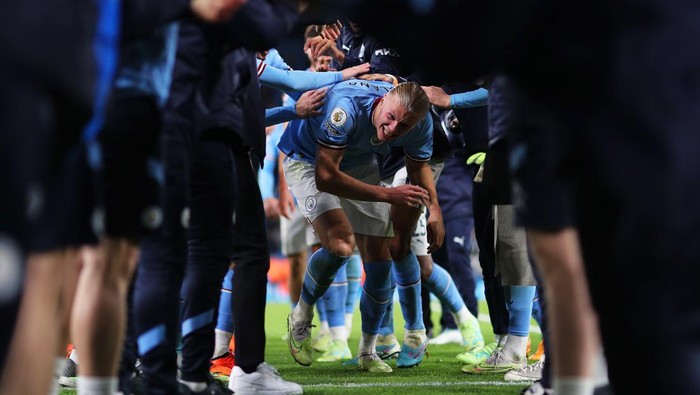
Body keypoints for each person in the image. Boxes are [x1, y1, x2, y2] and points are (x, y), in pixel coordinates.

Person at [280, 80, 444, 373]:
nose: (393, 129)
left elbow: (419, 166)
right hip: (308, 160)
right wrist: (388, 195)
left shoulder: (421, 123)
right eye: (391, 117)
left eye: (403, 126)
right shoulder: (345, 109)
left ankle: (369, 351)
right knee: (341, 245)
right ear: (384, 100)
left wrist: (435, 210)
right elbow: (326, 177)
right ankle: (301, 314)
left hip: (357, 161)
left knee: (380, 257)